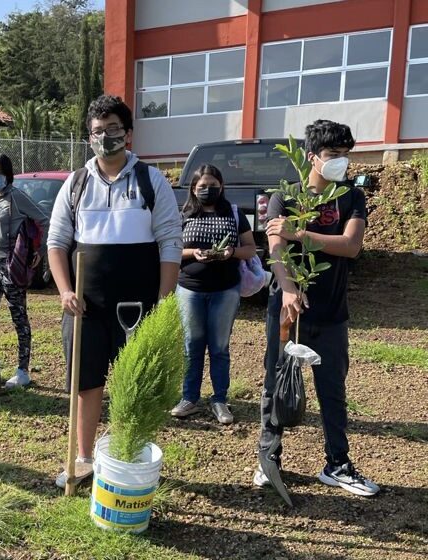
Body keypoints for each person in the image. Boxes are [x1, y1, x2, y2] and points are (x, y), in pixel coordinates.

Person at [47, 95, 183, 488]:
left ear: (128, 134)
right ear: (88, 136)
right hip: (85, 305)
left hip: (137, 306)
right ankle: (85, 458)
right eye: (97, 131)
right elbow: (57, 242)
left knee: (133, 383)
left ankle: (125, 455)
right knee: (86, 383)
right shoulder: (76, 183)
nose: (105, 137)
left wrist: (164, 299)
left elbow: (170, 242)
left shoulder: (151, 181)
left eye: (113, 130)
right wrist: (64, 291)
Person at [254, 119, 379, 496]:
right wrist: (289, 287)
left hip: (331, 311)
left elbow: (351, 245)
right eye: (333, 155)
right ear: (312, 157)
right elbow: (274, 248)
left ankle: (337, 464)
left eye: (345, 155)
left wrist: (301, 233)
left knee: (332, 389)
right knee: (276, 385)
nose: (341, 162)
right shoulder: (286, 195)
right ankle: (268, 457)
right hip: (288, 310)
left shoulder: (352, 197)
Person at [170, 164, 256, 425]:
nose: (208, 190)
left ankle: (219, 400)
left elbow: (251, 248)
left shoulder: (233, 213)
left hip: (225, 290)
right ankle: (189, 399)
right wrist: (192, 253)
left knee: (219, 348)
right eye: (202, 186)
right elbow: (171, 248)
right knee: (191, 346)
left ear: (222, 187)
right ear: (193, 189)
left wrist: (231, 252)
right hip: (190, 289)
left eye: (213, 185)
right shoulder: (183, 214)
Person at [0, 153, 49, 389]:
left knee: (18, 317)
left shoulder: (16, 198)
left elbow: (44, 219)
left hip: (12, 266)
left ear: (7, 175)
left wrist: (40, 248)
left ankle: (22, 371)